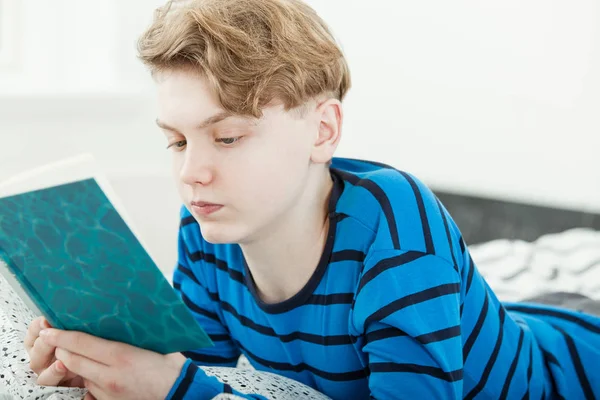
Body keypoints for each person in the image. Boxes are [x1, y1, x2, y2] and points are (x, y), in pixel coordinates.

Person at [24, 0, 600, 399]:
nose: (192, 173)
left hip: (572, 366)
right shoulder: (207, 224)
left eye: (227, 137)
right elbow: (206, 372)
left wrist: (174, 391)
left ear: (323, 131)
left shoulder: (395, 231)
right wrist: (106, 370)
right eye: (175, 141)